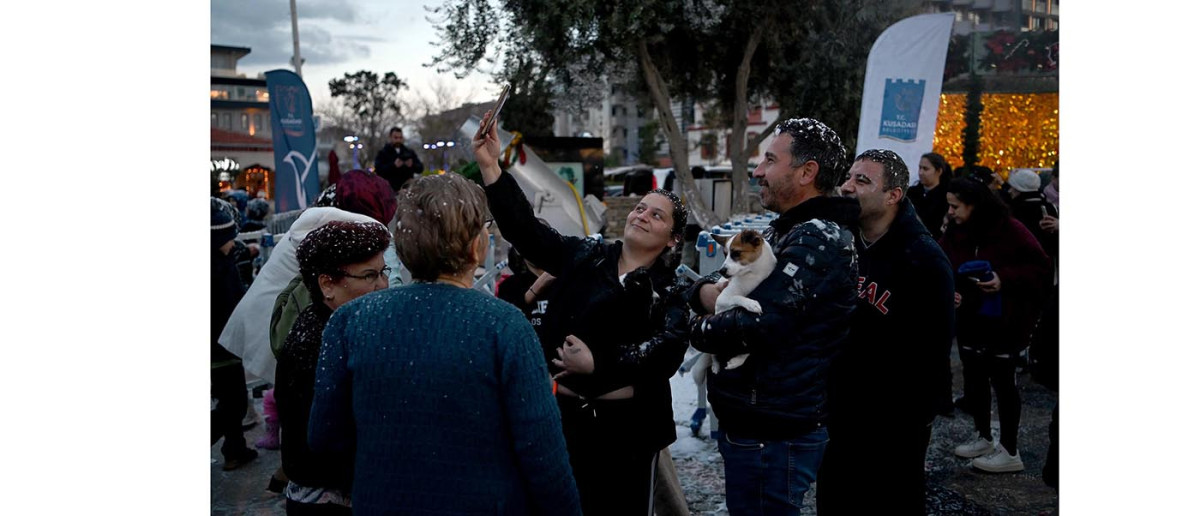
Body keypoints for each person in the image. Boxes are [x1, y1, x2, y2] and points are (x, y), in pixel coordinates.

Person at [308, 173, 580, 515]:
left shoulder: (349, 321)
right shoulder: (506, 327)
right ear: (475, 246)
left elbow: (325, 439)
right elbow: (544, 457)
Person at [474, 110, 693, 515]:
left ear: (672, 240)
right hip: (563, 423)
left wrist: (599, 363)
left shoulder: (673, 288)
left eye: (656, 215)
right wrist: (492, 167)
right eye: (641, 208)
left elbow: (667, 352)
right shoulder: (586, 255)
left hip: (627, 435)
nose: (642, 216)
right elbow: (527, 232)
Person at [686, 117, 860, 515]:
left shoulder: (818, 237)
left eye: (768, 160)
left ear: (806, 172)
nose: (758, 171)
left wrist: (697, 325)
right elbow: (712, 282)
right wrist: (703, 293)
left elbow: (757, 326)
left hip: (774, 434)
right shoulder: (788, 230)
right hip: (758, 426)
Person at [818, 150, 955, 514]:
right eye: (849, 177)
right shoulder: (842, 242)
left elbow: (934, 351)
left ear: (893, 195)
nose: (847, 187)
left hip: (895, 421)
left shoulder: (923, 259)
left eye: (862, 180)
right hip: (842, 409)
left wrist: (917, 416)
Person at [275, 220, 391, 515]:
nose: (382, 285)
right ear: (327, 284)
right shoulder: (317, 345)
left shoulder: (339, 327)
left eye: (383, 272)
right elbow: (327, 440)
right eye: (369, 276)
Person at [939, 177, 1052, 473]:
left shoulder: (1010, 229)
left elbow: (1040, 267)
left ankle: (1010, 450)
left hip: (1005, 320)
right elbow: (941, 261)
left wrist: (1004, 278)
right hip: (970, 318)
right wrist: (949, 287)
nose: (950, 212)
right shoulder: (955, 230)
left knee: (1003, 381)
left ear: (974, 205)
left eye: (955, 206)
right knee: (974, 377)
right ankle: (984, 436)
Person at [211, 197, 258, 471]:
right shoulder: (216, 271)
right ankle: (230, 445)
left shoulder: (221, 261)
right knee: (234, 404)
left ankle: (234, 449)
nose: (233, 242)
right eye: (229, 237)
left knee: (230, 398)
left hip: (224, 346)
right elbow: (232, 303)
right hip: (222, 346)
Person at [906, 151, 952, 239]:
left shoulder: (946, 197)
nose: (921, 172)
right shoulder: (911, 193)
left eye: (925, 169)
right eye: (920, 168)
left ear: (939, 171)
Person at [373, 126, 424, 191]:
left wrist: (412, 165)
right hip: (389, 189)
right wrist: (393, 165)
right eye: (396, 138)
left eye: (400, 137)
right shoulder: (383, 153)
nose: (398, 140)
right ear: (390, 137)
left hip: (406, 189)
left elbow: (420, 168)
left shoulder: (409, 152)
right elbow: (378, 170)